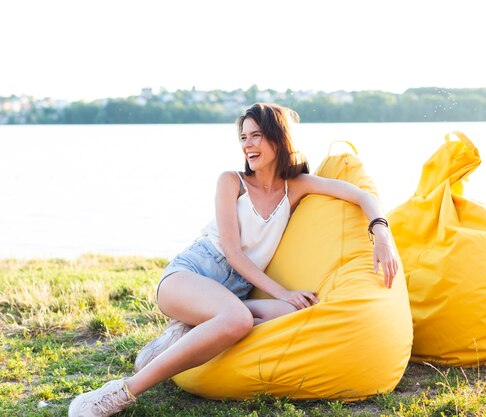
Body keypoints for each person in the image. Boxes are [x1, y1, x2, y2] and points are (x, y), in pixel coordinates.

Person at [68, 102, 398, 417]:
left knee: (298, 312)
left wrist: (381, 235)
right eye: (243, 137)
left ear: (278, 138)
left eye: (256, 136)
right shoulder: (232, 181)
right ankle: (120, 392)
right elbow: (233, 251)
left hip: (235, 291)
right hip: (192, 273)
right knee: (238, 320)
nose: (248, 145)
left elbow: (361, 195)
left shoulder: (295, 187)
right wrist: (281, 290)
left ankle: (190, 330)